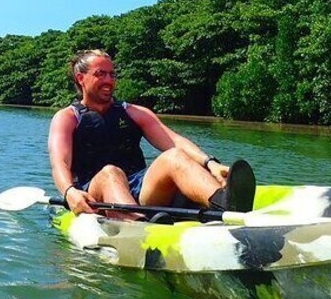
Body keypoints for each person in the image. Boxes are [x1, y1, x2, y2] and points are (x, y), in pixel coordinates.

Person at [48, 49, 255, 218]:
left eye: (112, 74)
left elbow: (174, 141)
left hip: (140, 187)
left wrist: (211, 163)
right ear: (81, 78)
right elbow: (60, 164)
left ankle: (226, 205)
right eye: (100, 74)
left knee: (173, 156)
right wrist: (69, 192)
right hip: (94, 193)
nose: (109, 80)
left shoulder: (133, 112)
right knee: (111, 172)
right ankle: (137, 226)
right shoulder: (67, 118)